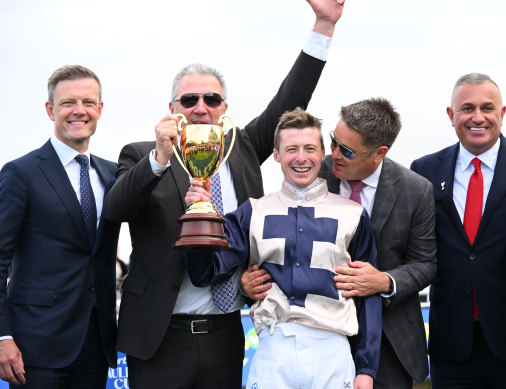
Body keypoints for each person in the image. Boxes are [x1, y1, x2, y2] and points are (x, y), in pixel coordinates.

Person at [102, 1, 345, 387]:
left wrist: (324, 25)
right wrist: (159, 159)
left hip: (225, 334)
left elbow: (290, 96)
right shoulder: (142, 154)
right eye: (189, 100)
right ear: (172, 108)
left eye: (211, 100)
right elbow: (115, 209)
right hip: (160, 337)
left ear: (224, 108)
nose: (201, 108)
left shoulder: (242, 148)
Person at [243, 97, 438, 389]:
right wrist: (247, 283)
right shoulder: (311, 171)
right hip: (317, 338)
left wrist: (385, 281)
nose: (333, 154)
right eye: (333, 142)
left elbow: (426, 262)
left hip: (389, 338)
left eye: (346, 150)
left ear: (379, 153)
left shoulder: (416, 190)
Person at [183, 108, 381, 389]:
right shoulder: (253, 211)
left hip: (333, 351)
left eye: (310, 148)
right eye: (291, 149)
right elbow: (206, 273)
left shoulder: (353, 214)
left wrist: (366, 367)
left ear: (323, 152)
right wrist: (197, 217)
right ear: (276, 155)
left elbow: (367, 297)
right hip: (274, 348)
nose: (301, 157)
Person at [410, 73, 506, 388]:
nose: (478, 117)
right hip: (451, 345)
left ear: (502, 114)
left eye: (487, 108)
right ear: (451, 115)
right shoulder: (424, 170)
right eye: (467, 108)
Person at [0, 65, 121, 388]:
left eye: (88, 102)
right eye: (68, 103)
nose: (79, 111)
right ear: (50, 109)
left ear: (100, 109)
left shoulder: (114, 175)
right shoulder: (20, 173)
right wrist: (2, 335)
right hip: (34, 348)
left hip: (95, 345)